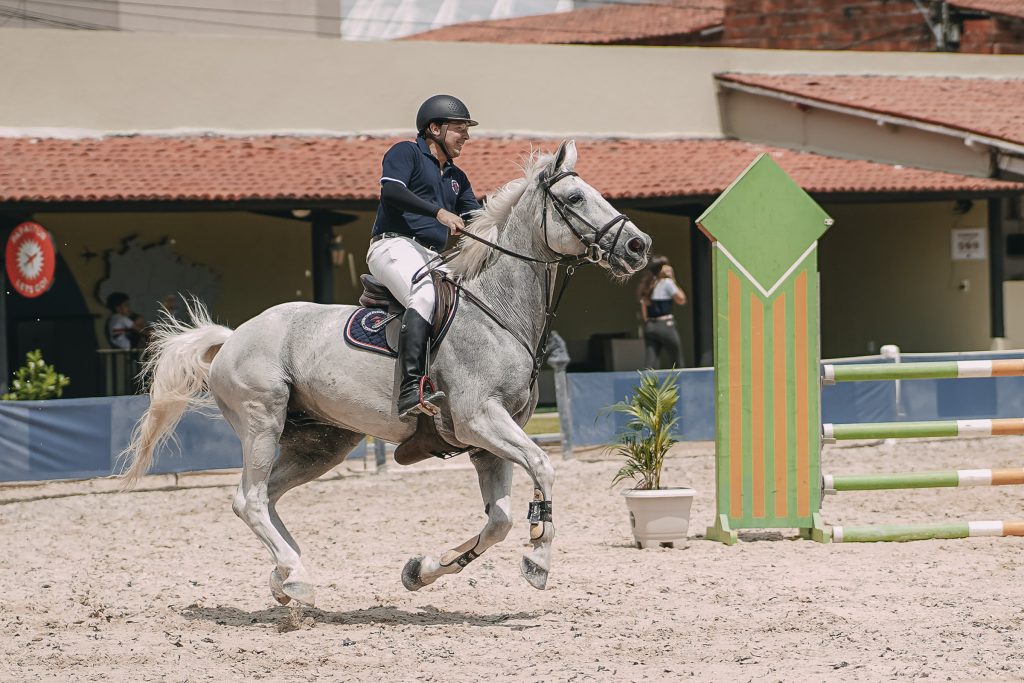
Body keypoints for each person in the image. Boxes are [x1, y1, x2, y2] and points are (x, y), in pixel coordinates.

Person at [367, 94, 481, 420]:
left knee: (471, 300)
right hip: (392, 246)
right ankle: (410, 391)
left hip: (431, 256)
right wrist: (440, 212)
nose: (467, 136)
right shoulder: (406, 153)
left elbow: (477, 217)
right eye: (460, 129)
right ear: (434, 128)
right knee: (425, 294)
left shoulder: (457, 178)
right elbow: (392, 191)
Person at [636, 256, 687, 369]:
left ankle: (648, 386)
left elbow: (644, 315)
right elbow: (681, 300)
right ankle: (678, 385)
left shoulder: (646, 285)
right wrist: (673, 280)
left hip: (650, 326)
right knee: (677, 360)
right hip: (665, 325)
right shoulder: (667, 283)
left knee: (650, 364)